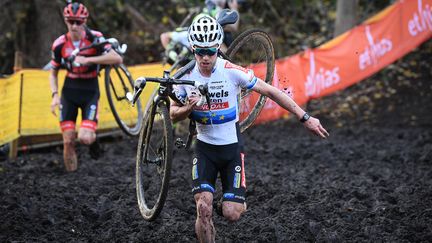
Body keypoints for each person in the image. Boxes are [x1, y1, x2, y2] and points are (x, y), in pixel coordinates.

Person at [170, 15, 329, 242]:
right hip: (204, 149)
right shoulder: (185, 77)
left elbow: (272, 91)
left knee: (231, 213)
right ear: (193, 49)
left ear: (218, 48)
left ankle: (230, 201)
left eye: (211, 52)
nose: (205, 58)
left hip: (231, 149)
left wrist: (305, 117)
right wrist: (188, 107)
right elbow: (172, 114)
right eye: (200, 52)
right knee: (203, 208)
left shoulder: (231, 71)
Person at [49, 2, 123, 172]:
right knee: (68, 140)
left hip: (90, 88)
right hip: (69, 90)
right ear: (65, 20)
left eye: (78, 22)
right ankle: (72, 178)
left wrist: (89, 60)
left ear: (84, 21)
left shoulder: (95, 37)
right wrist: (54, 95)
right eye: (70, 21)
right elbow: (53, 72)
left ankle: (93, 140)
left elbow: (116, 58)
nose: (74, 25)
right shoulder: (59, 44)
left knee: (85, 138)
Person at [160, 0, 239, 63]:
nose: (204, 32)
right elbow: (164, 36)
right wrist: (171, 53)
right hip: (185, 61)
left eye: (207, 28)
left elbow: (224, 51)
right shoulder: (184, 34)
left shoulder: (212, 36)